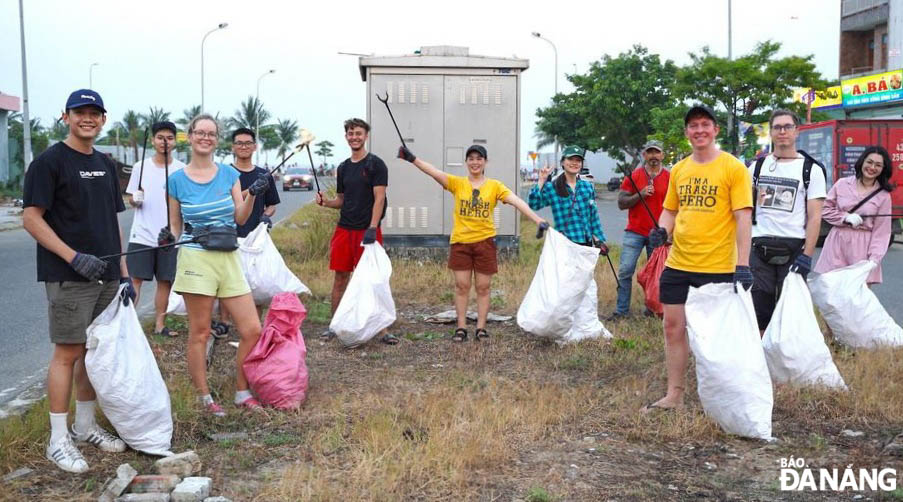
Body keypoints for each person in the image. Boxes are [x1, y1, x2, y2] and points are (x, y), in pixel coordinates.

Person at [23, 89, 134, 473]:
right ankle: (58, 440)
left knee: (94, 352)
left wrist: (123, 275)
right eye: (80, 112)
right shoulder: (49, 162)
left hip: (106, 276)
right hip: (69, 275)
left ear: (103, 119)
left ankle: (85, 427)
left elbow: (113, 222)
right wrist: (72, 256)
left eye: (94, 113)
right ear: (66, 117)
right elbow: (31, 219)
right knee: (68, 354)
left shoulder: (105, 164)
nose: (88, 118)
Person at [644, 104, 753, 412]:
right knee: (673, 327)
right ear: (687, 133)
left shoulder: (733, 168)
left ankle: (723, 397)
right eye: (693, 126)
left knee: (714, 336)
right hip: (679, 263)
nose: (699, 130)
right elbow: (671, 211)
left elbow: (743, 218)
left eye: (705, 124)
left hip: (718, 266)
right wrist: (661, 232)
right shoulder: (679, 169)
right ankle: (674, 395)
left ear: (715, 130)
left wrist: (742, 265)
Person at [157, 114, 267, 416]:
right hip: (196, 258)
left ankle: (242, 392)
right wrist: (168, 236)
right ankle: (205, 399)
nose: (206, 137)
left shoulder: (229, 174)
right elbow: (175, 227)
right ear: (190, 137)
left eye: (211, 133)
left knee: (252, 328)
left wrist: (253, 194)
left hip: (229, 256)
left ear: (216, 140)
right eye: (200, 132)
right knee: (201, 332)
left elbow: (240, 218)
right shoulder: (176, 180)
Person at [399, 144, 548, 341]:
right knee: (461, 286)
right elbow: (433, 172)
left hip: (485, 244)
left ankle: (481, 328)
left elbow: (516, 201)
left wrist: (538, 220)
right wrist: (412, 159)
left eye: (479, 158)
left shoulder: (495, 186)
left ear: (485, 162)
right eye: (471, 158)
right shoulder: (457, 183)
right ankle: (461, 328)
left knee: (483, 287)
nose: (475, 162)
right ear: (466, 162)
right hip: (461, 243)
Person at [316, 118, 397, 344]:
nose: (354, 137)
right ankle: (335, 326)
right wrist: (326, 202)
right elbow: (341, 200)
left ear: (366, 136)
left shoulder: (375, 164)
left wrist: (372, 228)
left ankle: (382, 330)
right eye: (351, 134)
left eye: (358, 133)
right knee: (340, 277)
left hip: (367, 231)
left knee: (373, 280)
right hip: (344, 230)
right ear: (346, 137)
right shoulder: (342, 168)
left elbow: (379, 198)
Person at [748, 109, 826, 335]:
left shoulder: (811, 169)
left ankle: (786, 360)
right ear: (771, 133)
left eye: (787, 127)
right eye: (777, 127)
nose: (782, 131)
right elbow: (745, 210)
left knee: (788, 312)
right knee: (759, 310)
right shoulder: (757, 167)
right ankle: (763, 361)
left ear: (797, 131)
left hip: (794, 247)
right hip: (758, 245)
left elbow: (815, 217)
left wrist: (807, 256)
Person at [125, 121, 186, 337]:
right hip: (141, 233)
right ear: (153, 140)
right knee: (135, 280)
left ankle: (160, 325)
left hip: (169, 237)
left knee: (165, 281)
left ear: (175, 142)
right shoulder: (140, 167)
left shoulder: (181, 170)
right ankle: (128, 327)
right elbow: (132, 198)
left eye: (169, 138)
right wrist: (136, 200)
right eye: (160, 137)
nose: (165, 142)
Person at [814, 146, 894, 284]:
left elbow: (882, 232)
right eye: (869, 162)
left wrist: (874, 259)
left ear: (883, 169)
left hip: (863, 249)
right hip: (837, 243)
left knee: (857, 299)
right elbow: (825, 209)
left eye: (878, 165)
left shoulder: (883, 196)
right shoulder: (842, 184)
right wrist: (844, 217)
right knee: (831, 294)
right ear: (862, 162)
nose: (872, 167)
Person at [609, 140, 670, 320]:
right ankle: (621, 311)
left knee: (655, 273)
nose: (653, 156)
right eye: (650, 153)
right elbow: (621, 203)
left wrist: (670, 232)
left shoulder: (670, 177)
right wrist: (640, 194)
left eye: (656, 152)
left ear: (662, 155)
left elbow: (676, 207)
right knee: (626, 270)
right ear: (644, 155)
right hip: (634, 231)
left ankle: (651, 308)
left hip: (658, 234)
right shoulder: (634, 176)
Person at [230, 127, 280, 237]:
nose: (244, 146)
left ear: (255, 147)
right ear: (233, 147)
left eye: (248, 143)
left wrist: (266, 215)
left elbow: (271, 205)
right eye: (239, 143)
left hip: (257, 235)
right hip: (230, 236)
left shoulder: (264, 175)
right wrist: (251, 191)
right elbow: (224, 199)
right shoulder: (224, 174)